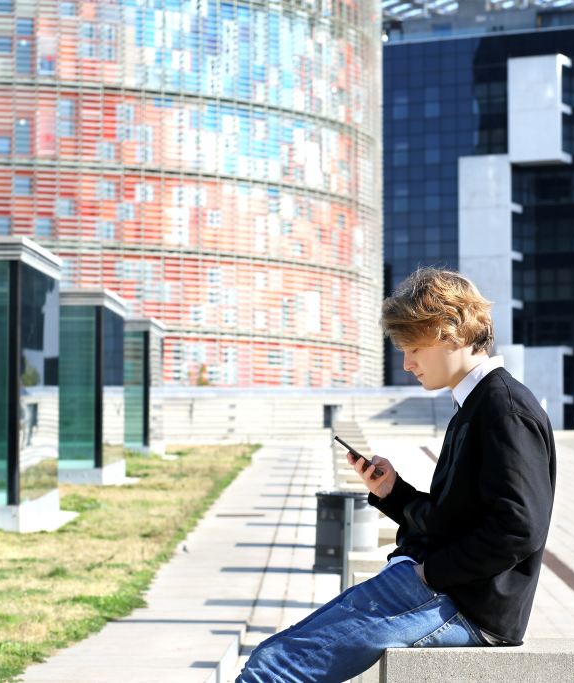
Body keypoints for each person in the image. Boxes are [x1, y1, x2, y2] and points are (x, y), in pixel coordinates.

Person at [236, 267, 557, 683]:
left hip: (462, 602)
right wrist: (394, 494)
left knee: (273, 669)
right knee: (270, 663)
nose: (406, 364)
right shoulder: (479, 404)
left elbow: (517, 529)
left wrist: (430, 573)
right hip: (447, 589)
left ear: (449, 332)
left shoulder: (503, 408)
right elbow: (457, 521)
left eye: (413, 349)